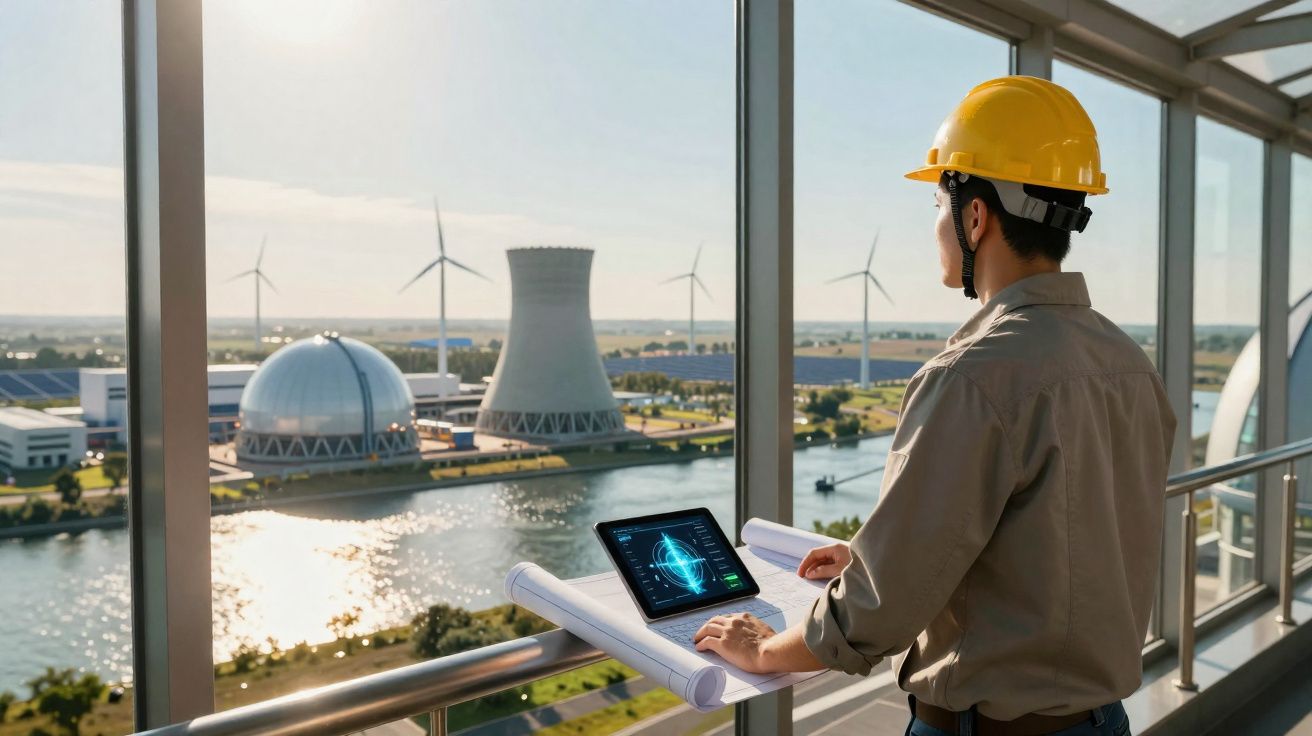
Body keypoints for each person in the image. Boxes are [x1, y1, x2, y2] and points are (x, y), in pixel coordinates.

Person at [693, 76, 1176, 736]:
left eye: (938, 203)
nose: (936, 226)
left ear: (976, 216)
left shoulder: (973, 377)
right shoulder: (1129, 366)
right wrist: (885, 555)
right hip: (1101, 722)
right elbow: (1054, 555)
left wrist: (762, 648)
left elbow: (873, 615)